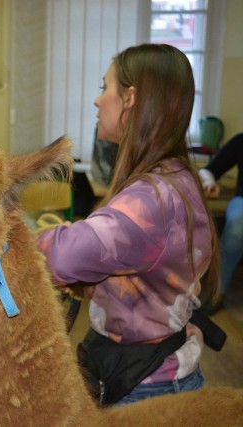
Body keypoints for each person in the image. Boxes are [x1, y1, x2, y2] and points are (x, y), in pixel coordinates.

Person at [36, 44, 219, 406]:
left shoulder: (153, 199)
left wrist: (14, 236)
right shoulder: (170, 178)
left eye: (105, 88)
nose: (97, 101)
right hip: (148, 378)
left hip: (148, 390)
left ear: (131, 99)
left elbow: (62, 257)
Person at [198, 133, 243, 313]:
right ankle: (217, 292)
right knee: (238, 225)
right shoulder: (240, 141)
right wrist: (209, 182)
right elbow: (208, 170)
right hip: (242, 202)